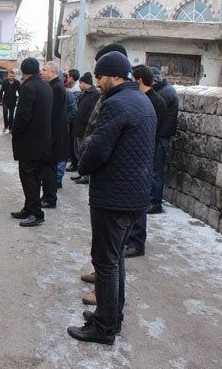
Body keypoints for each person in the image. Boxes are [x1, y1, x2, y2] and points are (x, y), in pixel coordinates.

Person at [67, 50, 156, 345]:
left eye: (102, 77)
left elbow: (98, 149)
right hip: (134, 195)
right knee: (115, 258)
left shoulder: (117, 104)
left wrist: (83, 163)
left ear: (115, 76)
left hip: (114, 196)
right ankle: (111, 316)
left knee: (105, 260)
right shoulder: (142, 100)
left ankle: (104, 328)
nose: (99, 82)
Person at [125, 65, 167, 258]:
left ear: (139, 80)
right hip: (137, 155)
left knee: (139, 201)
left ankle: (136, 242)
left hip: (144, 156)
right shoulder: (144, 99)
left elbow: (151, 133)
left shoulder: (155, 102)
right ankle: (129, 238)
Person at [10, 58, 53, 227]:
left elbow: (23, 116)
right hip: (42, 140)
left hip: (30, 142)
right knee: (33, 176)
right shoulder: (46, 86)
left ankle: (36, 212)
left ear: (24, 71)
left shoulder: (28, 87)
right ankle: (29, 208)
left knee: (29, 177)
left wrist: (16, 132)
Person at [149, 67, 179, 214]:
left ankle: (155, 202)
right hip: (160, 135)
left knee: (156, 170)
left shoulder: (165, 93)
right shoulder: (163, 91)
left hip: (161, 136)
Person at [40, 61, 68, 209]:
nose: (41, 72)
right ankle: (47, 196)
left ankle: (50, 198)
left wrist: (49, 137)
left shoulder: (56, 88)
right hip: (53, 136)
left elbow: (54, 116)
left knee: (49, 169)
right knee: (47, 169)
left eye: (44, 70)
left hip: (54, 137)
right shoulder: (53, 86)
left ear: (53, 72)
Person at [70, 72, 100, 185]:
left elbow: (92, 113)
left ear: (85, 83)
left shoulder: (94, 94)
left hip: (85, 129)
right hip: (78, 127)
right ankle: (81, 173)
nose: (79, 85)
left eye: (81, 83)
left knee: (84, 152)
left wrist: (85, 125)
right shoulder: (84, 94)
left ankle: (86, 175)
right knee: (78, 151)